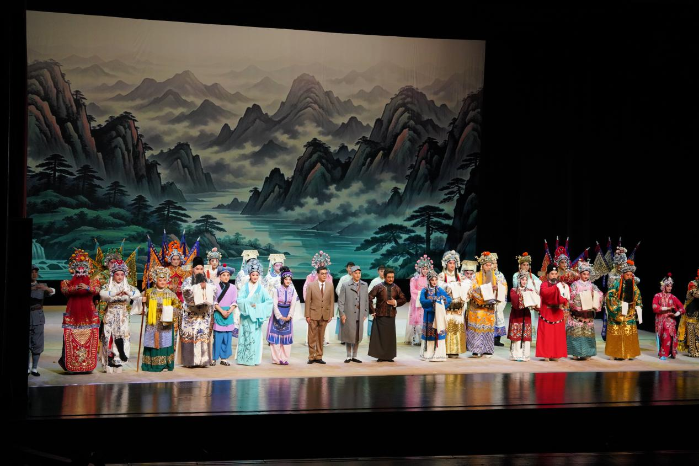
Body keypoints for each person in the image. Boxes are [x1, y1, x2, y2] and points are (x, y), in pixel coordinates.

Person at [59, 249, 101, 373]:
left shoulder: (93, 282)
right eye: (78, 270)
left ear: (87, 270)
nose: (81, 273)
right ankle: (71, 365)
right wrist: (75, 288)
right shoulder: (66, 283)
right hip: (73, 315)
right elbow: (65, 290)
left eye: (83, 270)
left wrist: (87, 288)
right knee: (71, 340)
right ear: (74, 270)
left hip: (89, 316)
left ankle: (87, 365)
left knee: (90, 340)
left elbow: (97, 290)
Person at [98, 259, 141, 373]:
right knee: (109, 336)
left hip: (122, 316)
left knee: (122, 336)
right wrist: (114, 293)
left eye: (122, 274)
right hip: (110, 315)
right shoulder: (108, 286)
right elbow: (102, 294)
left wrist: (127, 293)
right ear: (113, 275)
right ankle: (108, 360)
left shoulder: (128, 287)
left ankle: (119, 360)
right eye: (117, 274)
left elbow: (137, 294)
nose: (120, 277)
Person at [141, 266, 181, 372]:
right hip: (152, 321)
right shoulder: (149, 292)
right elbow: (142, 306)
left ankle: (165, 363)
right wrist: (142, 301)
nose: (162, 282)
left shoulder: (170, 293)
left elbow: (178, 307)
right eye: (160, 280)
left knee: (165, 342)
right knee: (152, 341)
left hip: (165, 322)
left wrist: (168, 309)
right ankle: (150, 364)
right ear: (155, 280)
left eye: (164, 280)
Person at [467, 252, 506, 358]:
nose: (489, 267)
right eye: (487, 265)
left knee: (488, 328)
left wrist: (497, 288)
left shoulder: (495, 277)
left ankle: (487, 349)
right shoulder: (476, 276)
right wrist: (485, 290)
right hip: (478, 308)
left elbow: (504, 287)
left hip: (489, 308)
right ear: (482, 265)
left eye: (490, 265)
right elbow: (472, 289)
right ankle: (476, 350)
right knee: (477, 328)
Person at [181, 256, 216, 367]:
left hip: (204, 315)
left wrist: (206, 287)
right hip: (190, 315)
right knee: (190, 336)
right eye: (197, 269)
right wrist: (198, 287)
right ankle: (190, 361)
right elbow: (186, 294)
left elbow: (214, 293)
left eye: (201, 269)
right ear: (193, 269)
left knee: (203, 336)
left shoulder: (209, 282)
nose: (199, 271)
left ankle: (203, 361)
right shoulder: (188, 281)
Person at [237, 260, 273, 366]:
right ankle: (243, 359)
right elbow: (239, 300)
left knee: (254, 338)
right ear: (249, 275)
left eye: (257, 275)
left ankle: (253, 359)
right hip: (246, 317)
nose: (255, 277)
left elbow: (269, 301)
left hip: (255, 317)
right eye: (253, 275)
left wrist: (258, 306)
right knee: (245, 337)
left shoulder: (261, 289)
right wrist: (248, 304)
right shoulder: (244, 287)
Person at [605, 260, 642, 360]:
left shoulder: (634, 287)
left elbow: (638, 298)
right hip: (618, 313)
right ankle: (614, 354)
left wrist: (638, 307)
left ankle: (628, 353)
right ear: (623, 275)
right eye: (627, 275)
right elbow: (609, 297)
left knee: (628, 333)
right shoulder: (616, 284)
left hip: (630, 314)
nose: (629, 277)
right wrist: (620, 305)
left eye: (631, 275)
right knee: (616, 333)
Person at [368, 268, 407, 362]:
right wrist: (372, 311)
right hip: (380, 316)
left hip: (391, 315)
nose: (391, 279)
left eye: (392, 277)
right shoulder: (379, 287)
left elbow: (403, 299)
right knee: (381, 337)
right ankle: (381, 356)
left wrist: (395, 302)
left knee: (390, 337)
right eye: (389, 277)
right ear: (385, 277)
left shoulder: (396, 287)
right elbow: (369, 297)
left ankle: (389, 356)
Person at [567, 260, 603, 360]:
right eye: (584, 274)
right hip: (577, 314)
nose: (586, 276)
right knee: (577, 333)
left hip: (588, 314)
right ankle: (575, 353)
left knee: (587, 334)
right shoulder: (575, 285)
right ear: (580, 274)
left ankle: (587, 353)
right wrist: (581, 298)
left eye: (587, 274)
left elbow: (600, 295)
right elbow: (571, 297)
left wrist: (595, 296)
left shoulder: (592, 285)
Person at [536, 264, 569, 361]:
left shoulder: (561, 285)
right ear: (547, 275)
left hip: (557, 312)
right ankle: (546, 354)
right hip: (547, 312)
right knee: (547, 335)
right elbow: (544, 293)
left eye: (555, 274)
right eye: (552, 274)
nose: (554, 276)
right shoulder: (544, 284)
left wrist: (564, 296)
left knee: (557, 335)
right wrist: (556, 288)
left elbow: (565, 296)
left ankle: (556, 354)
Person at [438, 250, 468, 357]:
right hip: (447, 308)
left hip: (458, 307)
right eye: (450, 263)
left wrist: (459, 286)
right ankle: (446, 349)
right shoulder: (442, 276)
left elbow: (467, 286)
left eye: (454, 263)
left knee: (457, 327)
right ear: (446, 264)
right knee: (447, 326)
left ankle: (456, 350)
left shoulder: (460, 276)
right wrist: (449, 286)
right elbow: (439, 286)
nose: (452, 265)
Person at [338, 265, 369, 363]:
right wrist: (342, 314)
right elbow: (341, 301)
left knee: (357, 335)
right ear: (351, 274)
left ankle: (355, 356)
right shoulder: (345, 285)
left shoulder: (364, 285)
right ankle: (348, 356)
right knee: (349, 334)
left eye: (359, 273)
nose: (358, 275)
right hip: (349, 313)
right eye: (356, 273)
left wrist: (365, 313)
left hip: (360, 314)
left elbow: (366, 300)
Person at [268, 266, 299, 365]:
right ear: (282, 279)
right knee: (276, 339)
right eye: (286, 279)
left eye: (290, 279)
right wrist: (279, 316)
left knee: (286, 338)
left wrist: (290, 315)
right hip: (277, 315)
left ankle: (284, 358)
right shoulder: (276, 290)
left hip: (287, 314)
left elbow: (293, 304)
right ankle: (276, 359)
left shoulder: (293, 291)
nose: (288, 281)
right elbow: (274, 304)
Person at [303, 251, 334, 346]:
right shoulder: (310, 276)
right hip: (314, 303)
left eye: (323, 262)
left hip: (324, 304)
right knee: (312, 324)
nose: (321, 264)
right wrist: (308, 300)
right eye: (319, 263)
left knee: (324, 323)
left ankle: (324, 340)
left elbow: (330, 291)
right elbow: (306, 288)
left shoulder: (329, 277)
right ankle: (310, 341)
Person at [305, 265, 335, 364]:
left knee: (321, 337)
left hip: (325, 314)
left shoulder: (330, 285)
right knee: (312, 336)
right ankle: (311, 356)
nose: (324, 275)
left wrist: (331, 314)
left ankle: (319, 356)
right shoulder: (311, 285)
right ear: (317, 274)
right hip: (313, 313)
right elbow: (308, 301)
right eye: (322, 274)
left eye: (326, 274)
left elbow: (331, 301)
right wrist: (307, 315)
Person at [419, 270, 451, 362]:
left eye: (436, 280)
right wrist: (432, 301)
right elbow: (422, 301)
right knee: (429, 334)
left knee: (439, 333)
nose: (434, 282)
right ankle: (428, 354)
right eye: (432, 280)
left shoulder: (439, 289)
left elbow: (448, 299)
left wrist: (442, 301)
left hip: (438, 316)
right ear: (429, 280)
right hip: (429, 316)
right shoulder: (425, 290)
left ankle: (439, 355)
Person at [652, 273, 685, 360]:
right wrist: (667, 308)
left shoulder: (673, 297)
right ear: (663, 286)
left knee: (667, 334)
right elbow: (655, 307)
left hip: (669, 320)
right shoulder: (657, 296)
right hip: (659, 319)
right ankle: (665, 352)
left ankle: (664, 354)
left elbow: (682, 308)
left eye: (671, 286)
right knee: (661, 336)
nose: (670, 288)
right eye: (668, 286)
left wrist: (676, 314)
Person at [29, 264, 55, 376]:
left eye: (36, 272)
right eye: (32, 272)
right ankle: (27, 367)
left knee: (37, 342)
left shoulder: (42, 286)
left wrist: (46, 288)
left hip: (38, 317)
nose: (34, 274)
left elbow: (52, 291)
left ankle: (34, 368)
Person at [508, 273, 537, 361]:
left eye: (526, 280)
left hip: (526, 314)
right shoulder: (513, 290)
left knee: (525, 334)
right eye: (522, 279)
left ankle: (525, 355)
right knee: (516, 333)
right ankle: (516, 355)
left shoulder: (529, 290)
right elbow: (515, 301)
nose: (524, 281)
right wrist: (524, 296)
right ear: (519, 280)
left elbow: (534, 300)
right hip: (516, 314)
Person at [212, 264, 237, 366]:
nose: (226, 277)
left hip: (229, 313)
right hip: (219, 312)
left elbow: (235, 301)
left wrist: (229, 311)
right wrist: (222, 311)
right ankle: (214, 358)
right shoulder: (215, 287)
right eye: (224, 275)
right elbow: (214, 301)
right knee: (217, 338)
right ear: (219, 276)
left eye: (228, 275)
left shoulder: (233, 287)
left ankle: (224, 358)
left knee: (227, 338)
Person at [406, 255, 433, 346]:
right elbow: (412, 290)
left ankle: (426, 338)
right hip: (417, 302)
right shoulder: (414, 279)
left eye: (427, 269)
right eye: (423, 269)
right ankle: (417, 339)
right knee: (417, 321)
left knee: (427, 320)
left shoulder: (430, 279)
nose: (425, 270)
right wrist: (422, 295)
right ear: (419, 269)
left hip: (428, 302)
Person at [682, 270, 699, 357]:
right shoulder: (692, 283)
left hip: (697, 312)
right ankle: (692, 351)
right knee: (692, 332)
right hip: (691, 312)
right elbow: (697, 294)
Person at [367, 265, 386, 337]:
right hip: (375, 304)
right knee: (372, 319)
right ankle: (370, 335)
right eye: (381, 271)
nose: (382, 273)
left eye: (384, 271)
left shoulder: (387, 280)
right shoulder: (374, 281)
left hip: (384, 305)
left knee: (382, 320)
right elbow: (369, 293)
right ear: (378, 272)